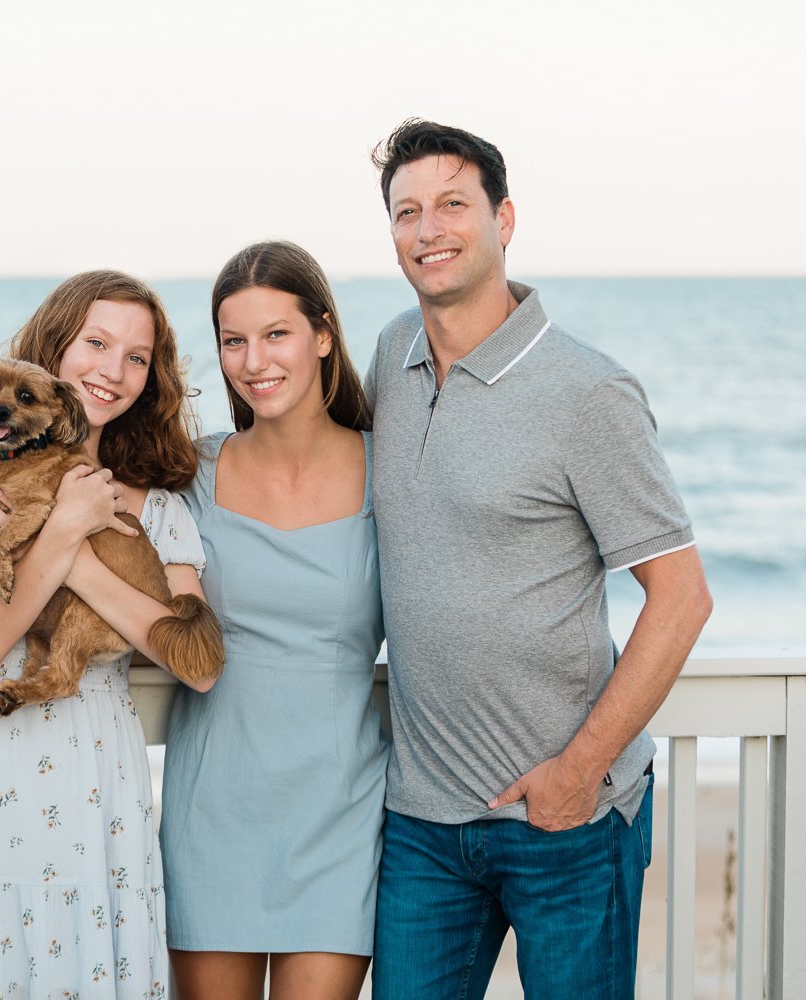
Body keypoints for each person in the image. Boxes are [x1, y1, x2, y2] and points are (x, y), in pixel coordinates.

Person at [364, 119, 713, 999]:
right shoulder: (389, 355)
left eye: (452, 204)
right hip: (421, 822)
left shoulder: (586, 391)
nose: (429, 229)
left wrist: (578, 771)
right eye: (408, 212)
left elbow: (681, 598)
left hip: (565, 819)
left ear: (504, 218)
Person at [0, 271, 212, 998]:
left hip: (97, 774)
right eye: (95, 343)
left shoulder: (160, 510)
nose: (113, 370)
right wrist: (60, 525)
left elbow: (195, 662)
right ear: (54, 348)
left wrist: (76, 550)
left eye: (137, 356)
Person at [159, 241, 384, 1000]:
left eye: (276, 334)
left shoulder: (392, 471)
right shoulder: (190, 474)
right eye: (233, 340)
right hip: (212, 814)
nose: (254, 360)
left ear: (323, 334)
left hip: (341, 814)